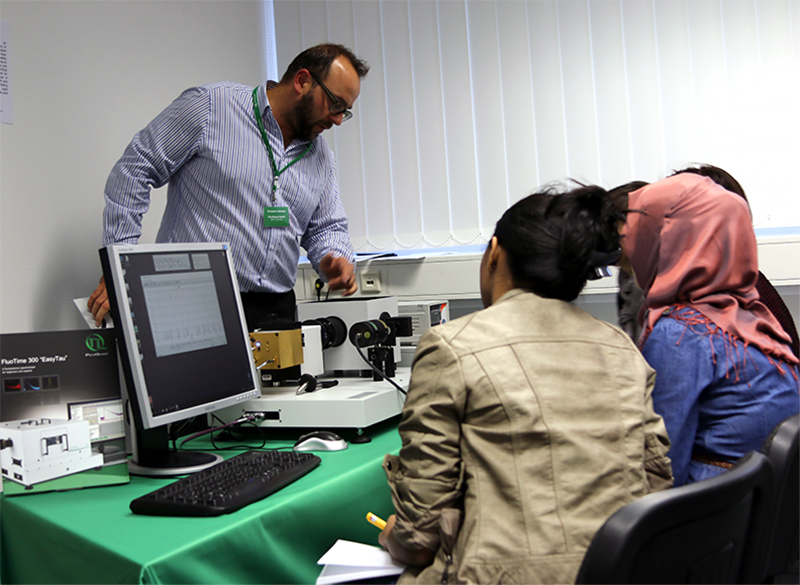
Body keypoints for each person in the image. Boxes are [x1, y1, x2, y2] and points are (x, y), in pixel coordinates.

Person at [378, 185, 673, 584]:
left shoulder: (451, 346)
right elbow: (655, 485)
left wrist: (393, 535)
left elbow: (419, 538)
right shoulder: (621, 347)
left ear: (494, 253)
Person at [88, 43, 369, 328]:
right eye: (335, 104)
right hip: (192, 302)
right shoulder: (211, 107)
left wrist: (338, 261)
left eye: (344, 111)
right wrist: (119, 267)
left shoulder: (321, 156)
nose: (337, 120)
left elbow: (326, 229)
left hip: (276, 312)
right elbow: (135, 169)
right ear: (302, 81)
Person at [620, 172, 800, 487]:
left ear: (667, 242)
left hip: (716, 515)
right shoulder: (755, 318)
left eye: (640, 232)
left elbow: (664, 467)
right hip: (764, 509)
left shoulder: (679, 333)